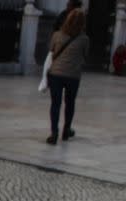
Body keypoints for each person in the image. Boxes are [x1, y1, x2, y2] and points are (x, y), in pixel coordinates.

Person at [45, 9, 88, 145]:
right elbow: (85, 56)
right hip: (73, 76)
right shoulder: (84, 39)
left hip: (56, 74)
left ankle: (54, 132)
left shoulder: (57, 35)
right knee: (70, 103)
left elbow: (51, 51)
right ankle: (66, 130)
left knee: (55, 104)